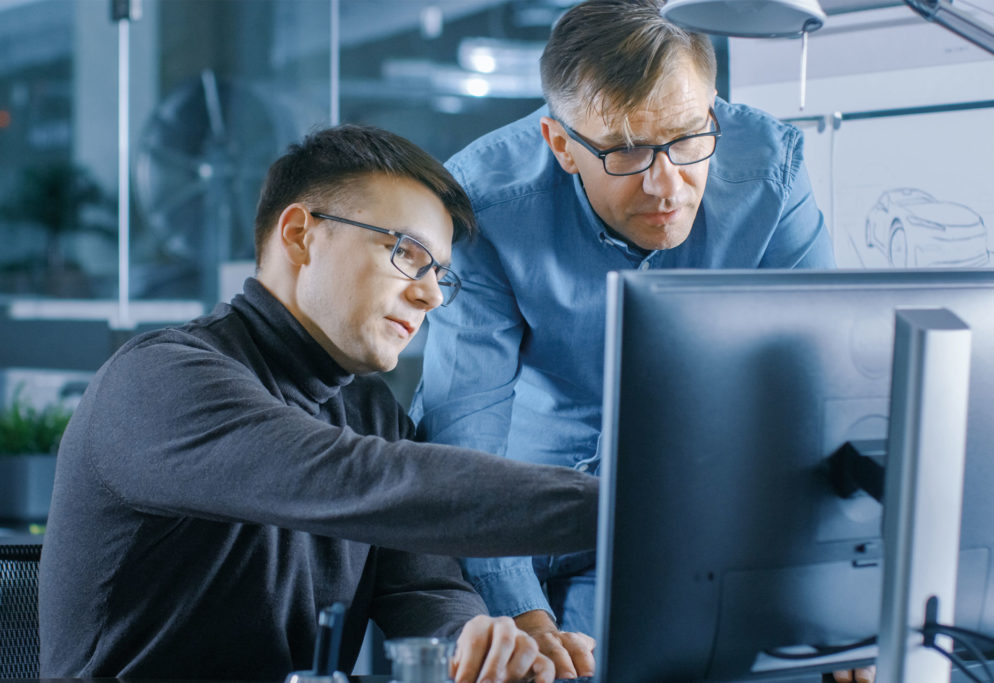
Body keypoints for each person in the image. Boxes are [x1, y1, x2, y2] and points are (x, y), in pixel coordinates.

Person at [38, 123, 601, 683]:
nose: (429, 293)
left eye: (440, 275)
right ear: (300, 234)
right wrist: (627, 508)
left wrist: (471, 645)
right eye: (406, 252)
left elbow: (421, 585)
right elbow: (369, 481)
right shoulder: (160, 381)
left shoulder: (372, 412)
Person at [412, 1, 874, 682]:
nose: (667, 184)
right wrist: (521, 614)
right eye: (627, 150)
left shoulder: (770, 173)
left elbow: (823, 392)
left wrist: (834, 591)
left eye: (688, 138)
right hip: (507, 519)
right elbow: (464, 438)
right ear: (561, 143)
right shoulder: (484, 202)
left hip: (670, 519)